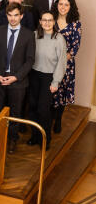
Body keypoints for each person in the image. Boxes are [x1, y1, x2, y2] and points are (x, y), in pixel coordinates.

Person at [0, 2, 35, 153]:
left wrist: (16, 77)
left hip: (17, 81)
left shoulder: (28, 35)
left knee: (15, 113)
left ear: (21, 16)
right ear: (6, 16)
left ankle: (12, 140)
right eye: (10, 15)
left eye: (16, 15)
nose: (13, 18)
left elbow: (30, 60)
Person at [27, 12, 67, 148]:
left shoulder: (59, 38)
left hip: (48, 77)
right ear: (40, 21)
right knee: (31, 107)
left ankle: (45, 139)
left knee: (43, 109)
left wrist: (55, 82)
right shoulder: (34, 35)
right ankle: (34, 136)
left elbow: (62, 62)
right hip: (33, 75)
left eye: (50, 20)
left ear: (54, 21)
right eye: (44, 20)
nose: (47, 23)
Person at [52, 0, 81, 133]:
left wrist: (60, 61)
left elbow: (75, 47)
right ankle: (49, 118)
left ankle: (58, 120)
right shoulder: (50, 20)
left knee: (61, 91)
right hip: (48, 63)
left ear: (71, 7)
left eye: (66, 5)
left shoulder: (75, 24)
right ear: (56, 5)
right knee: (50, 91)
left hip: (66, 65)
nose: (63, 7)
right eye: (60, 4)